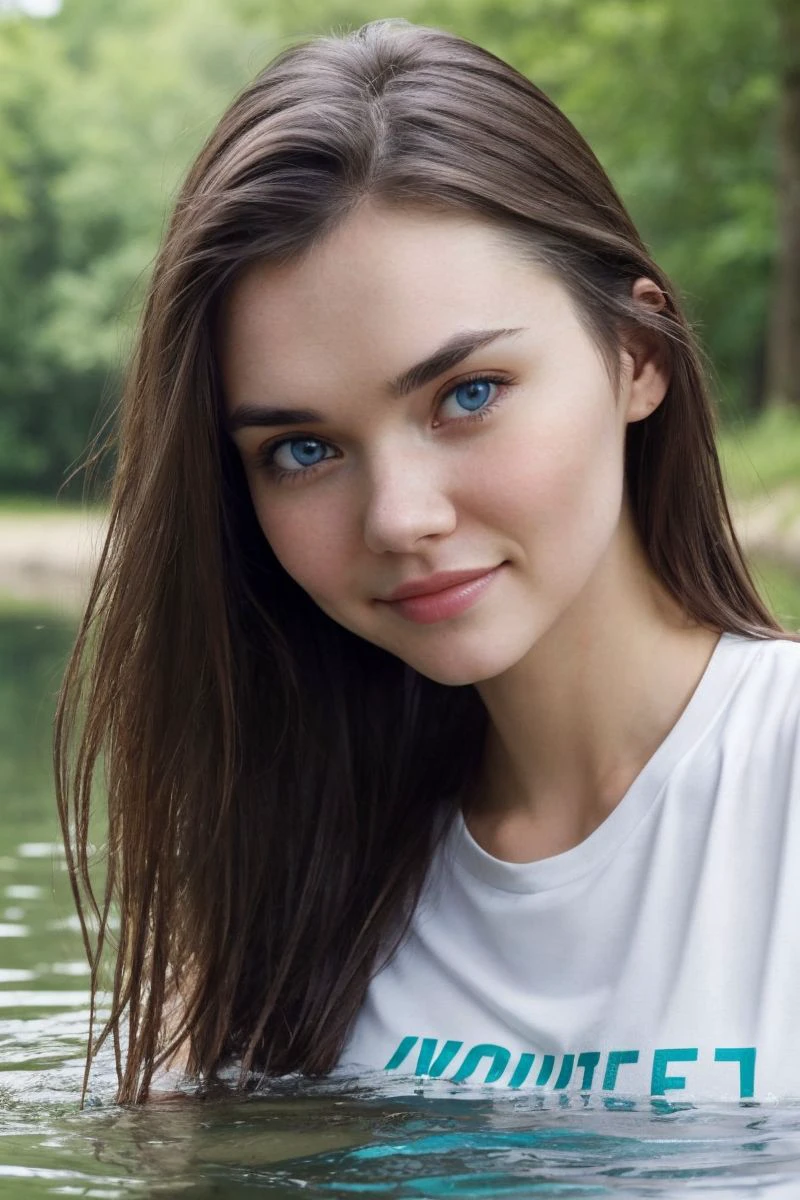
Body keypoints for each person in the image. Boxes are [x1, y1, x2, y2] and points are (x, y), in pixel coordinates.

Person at [54, 17, 800, 1108]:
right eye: (301, 451)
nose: (398, 518)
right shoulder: (283, 911)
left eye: (466, 394)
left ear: (635, 358)